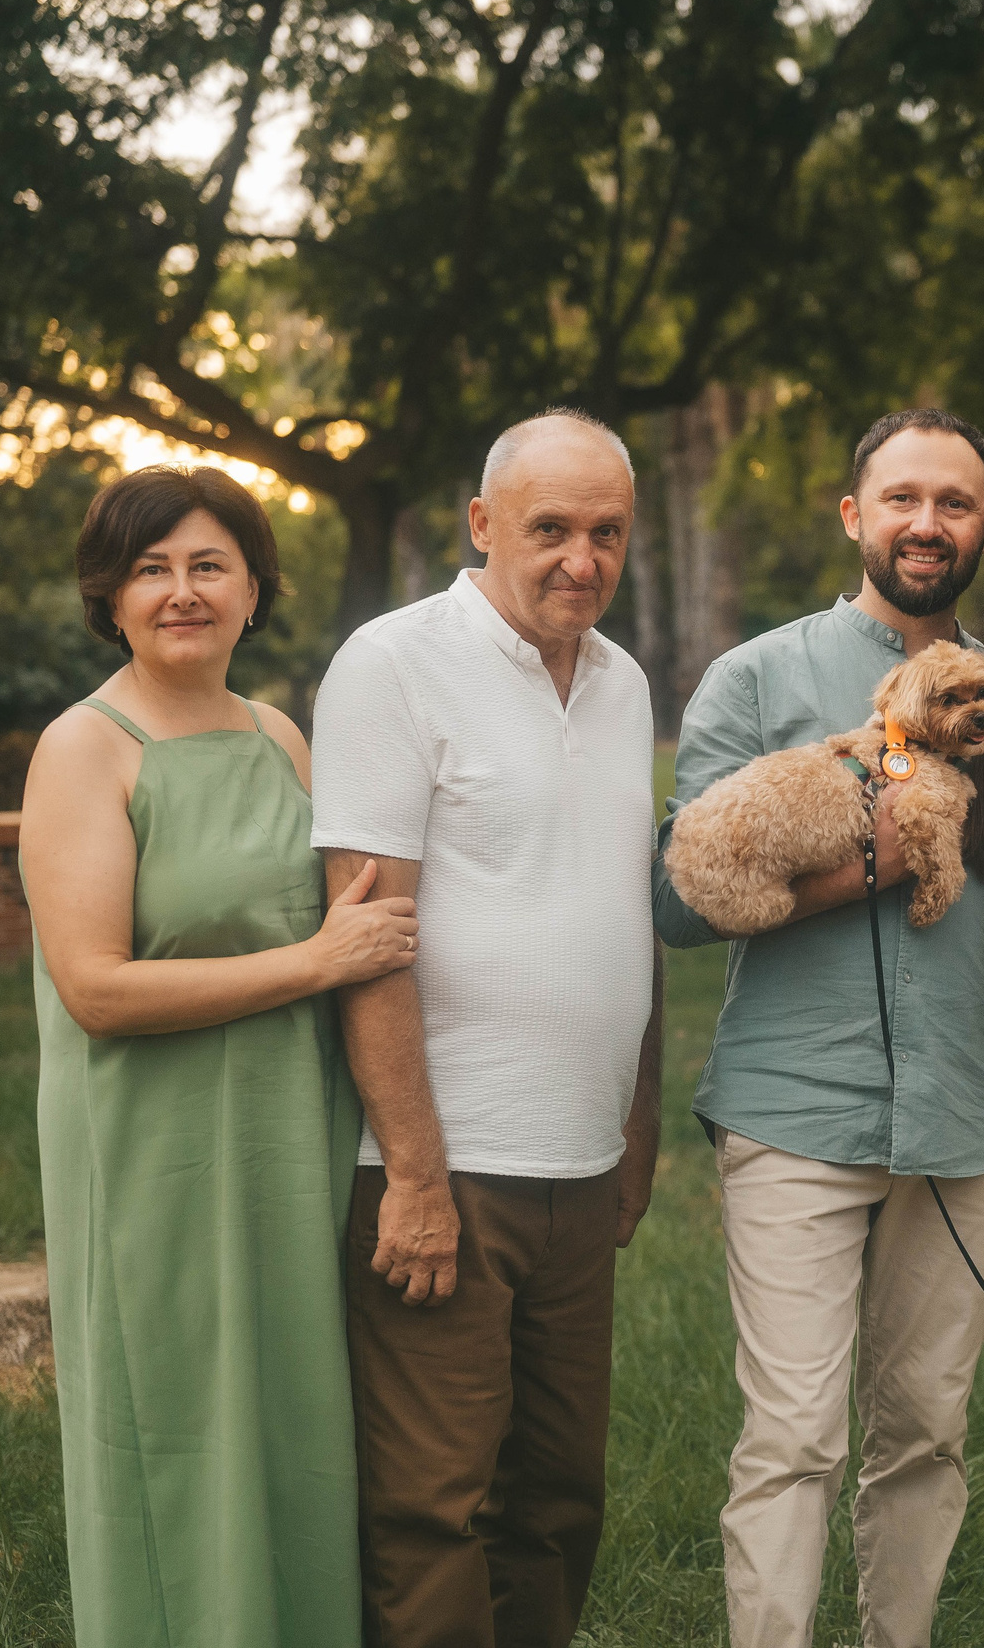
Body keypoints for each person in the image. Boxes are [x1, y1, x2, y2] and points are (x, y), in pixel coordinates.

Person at [23, 465, 419, 1648]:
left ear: (254, 589)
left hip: (285, 1136)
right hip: (153, 1144)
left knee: (294, 1417)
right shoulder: (84, 749)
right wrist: (319, 961)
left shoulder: (280, 734)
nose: (181, 591)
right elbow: (95, 988)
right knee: (179, 1422)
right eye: (151, 568)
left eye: (208, 565)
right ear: (110, 595)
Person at [653, 409, 984, 1648]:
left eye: (957, 502)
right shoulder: (756, 678)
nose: (930, 522)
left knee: (925, 1429)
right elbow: (676, 900)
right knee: (795, 1435)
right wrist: (866, 855)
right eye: (904, 497)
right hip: (793, 1106)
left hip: (963, 1116)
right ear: (855, 513)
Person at [309, 410, 666, 1648]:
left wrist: (637, 1124)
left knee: (557, 1501)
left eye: (606, 530)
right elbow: (368, 938)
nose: (582, 557)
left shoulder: (622, 683)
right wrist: (411, 1172)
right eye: (550, 528)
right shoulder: (392, 662)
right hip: (445, 1169)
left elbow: (623, 913)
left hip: (579, 1168)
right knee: (432, 1509)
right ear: (479, 524)